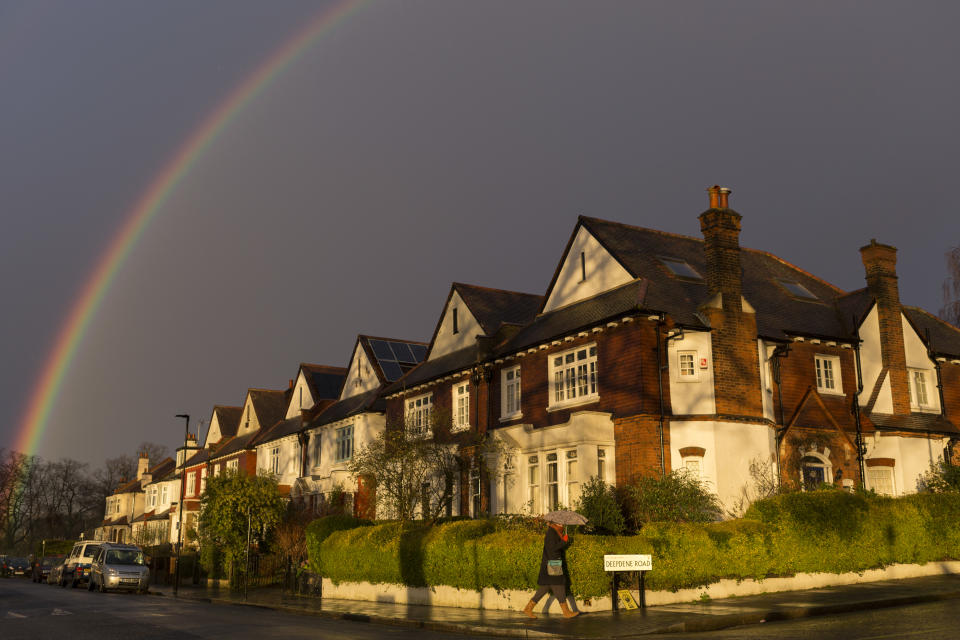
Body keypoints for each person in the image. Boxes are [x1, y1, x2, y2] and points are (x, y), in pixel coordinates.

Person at [522, 521, 579, 619]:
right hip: (553, 563)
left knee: (546, 587)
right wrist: (564, 542)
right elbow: (553, 548)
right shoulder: (551, 533)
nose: (562, 525)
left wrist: (563, 540)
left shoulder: (555, 532)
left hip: (553, 563)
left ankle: (528, 608)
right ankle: (566, 612)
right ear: (556, 523)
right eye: (560, 523)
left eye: (562, 523)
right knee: (559, 585)